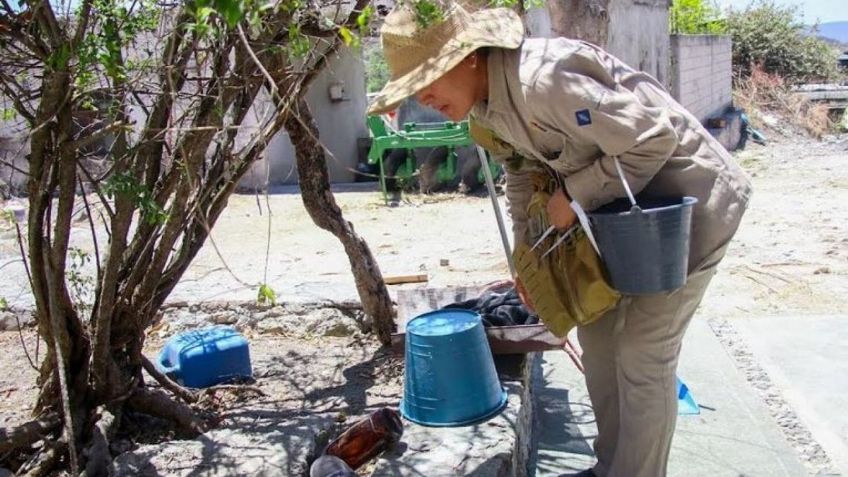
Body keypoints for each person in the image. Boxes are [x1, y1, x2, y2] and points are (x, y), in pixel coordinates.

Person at [368, 2, 752, 477]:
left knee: (641, 354)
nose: (422, 97)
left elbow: (652, 139)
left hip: (686, 210)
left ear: (468, 57)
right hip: (618, 222)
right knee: (599, 340)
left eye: (427, 79)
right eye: (412, 88)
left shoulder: (543, 79)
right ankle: (610, 467)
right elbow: (521, 174)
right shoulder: (485, 112)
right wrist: (525, 261)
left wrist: (574, 193)